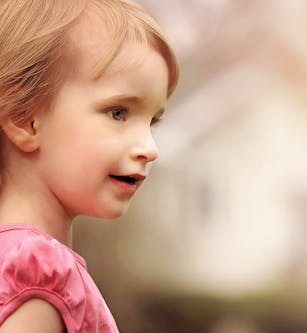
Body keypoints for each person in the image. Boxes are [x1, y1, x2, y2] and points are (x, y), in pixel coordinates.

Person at [0, 0, 179, 331]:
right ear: (25, 120)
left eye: (152, 121)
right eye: (118, 113)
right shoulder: (38, 274)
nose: (150, 149)